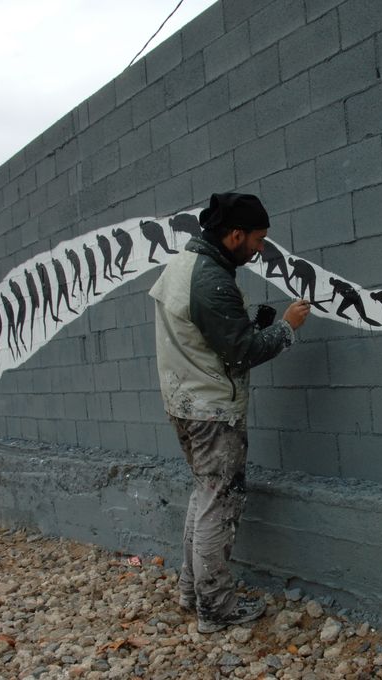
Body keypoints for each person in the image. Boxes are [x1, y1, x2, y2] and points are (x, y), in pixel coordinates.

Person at [148, 192, 311, 633]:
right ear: (235, 234)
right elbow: (242, 353)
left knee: (204, 498)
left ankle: (191, 592)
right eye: (258, 240)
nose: (260, 249)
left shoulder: (182, 265)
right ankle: (215, 610)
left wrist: (243, 323)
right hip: (212, 410)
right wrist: (286, 328)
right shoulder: (212, 281)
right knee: (219, 507)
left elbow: (210, 335)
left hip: (185, 402)